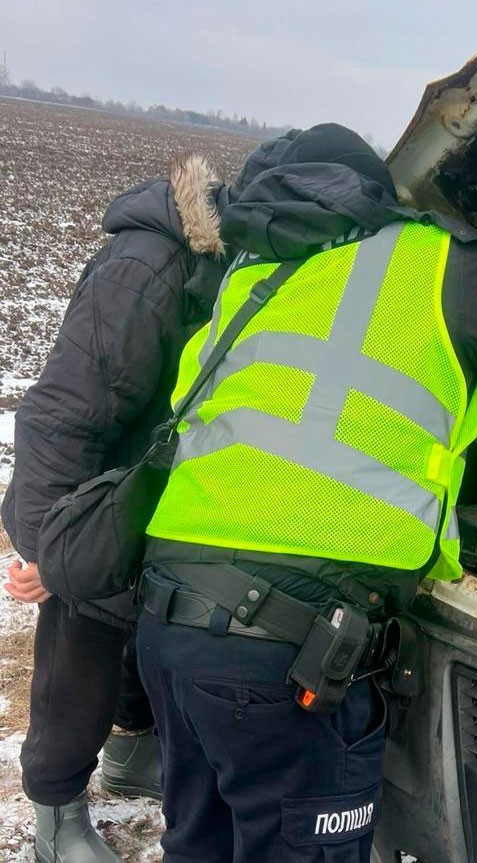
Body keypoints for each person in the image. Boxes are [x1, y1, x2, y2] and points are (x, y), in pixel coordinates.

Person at [135, 123, 477, 863]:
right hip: (282, 649)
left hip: (170, 625)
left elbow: (327, 429)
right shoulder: (437, 264)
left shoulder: (254, 281)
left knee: (201, 845)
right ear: (378, 195)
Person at [1, 134, 296, 863]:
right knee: (85, 633)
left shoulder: (258, 269)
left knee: (149, 619)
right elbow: (64, 412)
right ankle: (56, 809)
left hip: (167, 488)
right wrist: (46, 544)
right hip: (99, 495)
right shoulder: (148, 269)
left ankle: (131, 754)